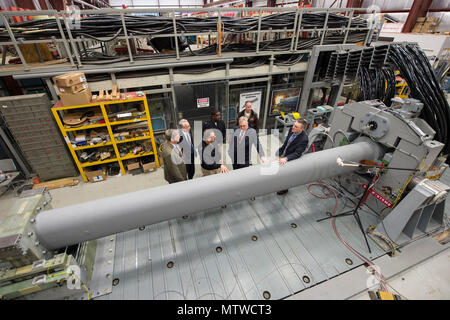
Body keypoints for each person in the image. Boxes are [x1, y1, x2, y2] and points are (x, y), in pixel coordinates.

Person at [275, 118, 309, 195]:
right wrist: (279, 152)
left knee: (287, 174)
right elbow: (286, 143)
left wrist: (286, 158)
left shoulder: (304, 139)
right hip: (285, 153)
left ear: (301, 129)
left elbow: (297, 153)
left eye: (296, 126)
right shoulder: (292, 130)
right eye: (294, 125)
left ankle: (284, 189)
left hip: (291, 157)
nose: (293, 127)